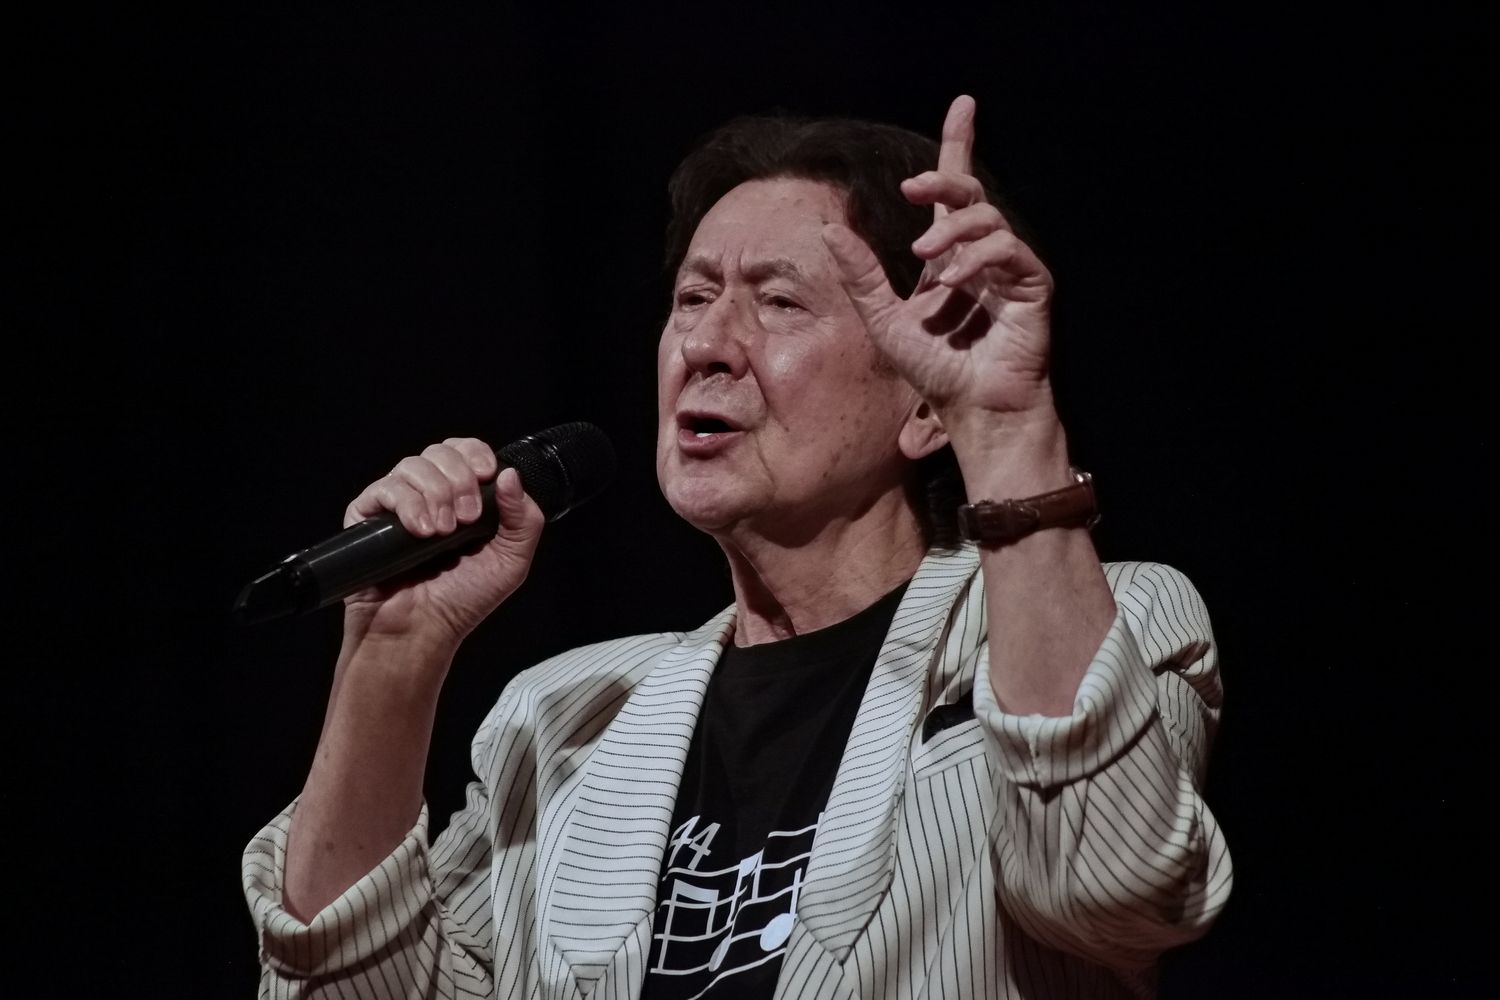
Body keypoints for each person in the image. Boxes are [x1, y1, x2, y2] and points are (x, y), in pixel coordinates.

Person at [242, 95, 1232, 999]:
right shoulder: (563, 722)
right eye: (692, 297)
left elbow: (1111, 892)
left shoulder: (1106, 623)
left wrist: (1007, 431)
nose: (706, 344)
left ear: (926, 399)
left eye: (779, 301)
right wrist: (394, 656)